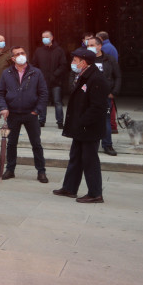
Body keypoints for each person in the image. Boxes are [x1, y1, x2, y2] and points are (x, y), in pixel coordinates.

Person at [53, 48, 110, 203]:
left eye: (75, 61)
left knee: (89, 159)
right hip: (80, 126)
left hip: (89, 128)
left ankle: (95, 193)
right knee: (75, 157)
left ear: (84, 63)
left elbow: (97, 107)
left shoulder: (96, 79)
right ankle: (70, 188)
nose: (73, 63)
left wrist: (83, 122)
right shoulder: (83, 75)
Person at [0, 46, 49, 183]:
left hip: (31, 114)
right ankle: (10, 169)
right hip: (13, 114)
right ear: (12, 58)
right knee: (11, 143)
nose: (21, 55)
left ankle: (41, 171)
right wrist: (3, 107)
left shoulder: (36, 72)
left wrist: (37, 110)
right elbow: (0, 93)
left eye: (23, 52)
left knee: (36, 143)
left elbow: (43, 93)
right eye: (17, 54)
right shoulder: (6, 73)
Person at [87, 37, 120, 156]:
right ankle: (90, 144)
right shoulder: (85, 60)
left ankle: (107, 145)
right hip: (88, 96)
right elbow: (75, 75)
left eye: (92, 45)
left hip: (105, 95)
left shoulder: (109, 60)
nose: (89, 47)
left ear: (99, 46)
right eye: (88, 45)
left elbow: (118, 76)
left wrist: (114, 92)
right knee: (89, 120)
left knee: (105, 120)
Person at [31, 30, 67, 128]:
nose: (44, 39)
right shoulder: (39, 51)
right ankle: (41, 120)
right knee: (43, 101)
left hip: (56, 81)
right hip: (43, 81)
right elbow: (34, 65)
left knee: (57, 101)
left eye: (46, 37)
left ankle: (60, 122)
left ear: (51, 38)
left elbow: (63, 65)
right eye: (43, 37)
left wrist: (55, 75)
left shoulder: (59, 50)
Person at [95, 31, 119, 135]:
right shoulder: (111, 47)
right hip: (104, 87)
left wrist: (113, 91)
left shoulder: (106, 49)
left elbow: (116, 74)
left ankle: (111, 128)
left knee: (107, 114)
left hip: (105, 88)